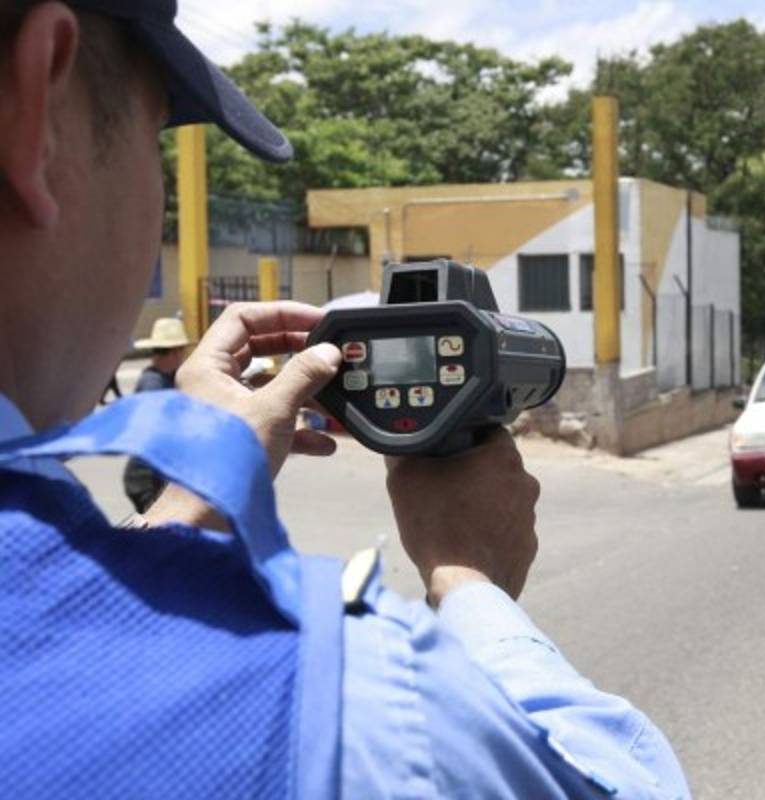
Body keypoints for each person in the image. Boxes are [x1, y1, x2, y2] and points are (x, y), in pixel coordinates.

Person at [0, 2, 688, 797]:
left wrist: (191, 502)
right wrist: (471, 580)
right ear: (34, 109)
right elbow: (624, 783)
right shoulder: (350, 719)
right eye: (158, 134)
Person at [121, 317, 191, 511]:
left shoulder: (164, 379)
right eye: (182, 350)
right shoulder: (154, 385)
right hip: (147, 478)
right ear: (175, 351)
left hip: (155, 475)